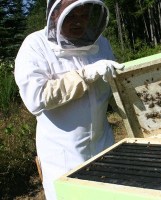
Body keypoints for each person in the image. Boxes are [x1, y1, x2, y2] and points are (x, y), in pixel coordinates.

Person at [14, 0, 123, 199]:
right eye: (71, 15)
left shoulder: (101, 44)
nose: (78, 22)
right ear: (54, 14)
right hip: (62, 155)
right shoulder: (35, 45)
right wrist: (84, 75)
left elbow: (116, 90)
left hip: (103, 145)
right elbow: (36, 98)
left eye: (83, 16)